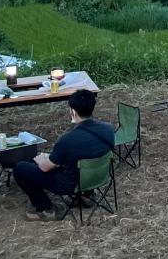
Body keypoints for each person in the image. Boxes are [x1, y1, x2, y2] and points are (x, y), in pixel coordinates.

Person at [13, 89, 116, 221]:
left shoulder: (67, 139)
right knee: (83, 158)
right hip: (98, 177)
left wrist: (41, 160)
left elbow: (45, 168)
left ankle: (46, 209)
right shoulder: (108, 128)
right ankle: (86, 196)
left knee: (21, 168)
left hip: (70, 184)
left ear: (72, 111)